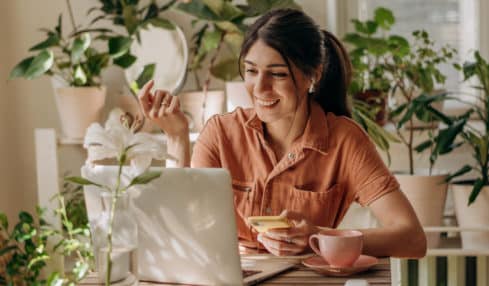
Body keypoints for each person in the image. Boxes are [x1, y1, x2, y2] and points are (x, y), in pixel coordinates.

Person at [138, 8, 426, 258]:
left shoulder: (344, 140)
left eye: (277, 74)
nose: (260, 88)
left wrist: (318, 237)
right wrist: (176, 137)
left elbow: (412, 238)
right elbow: (178, 229)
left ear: (313, 75)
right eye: (251, 71)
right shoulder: (220, 134)